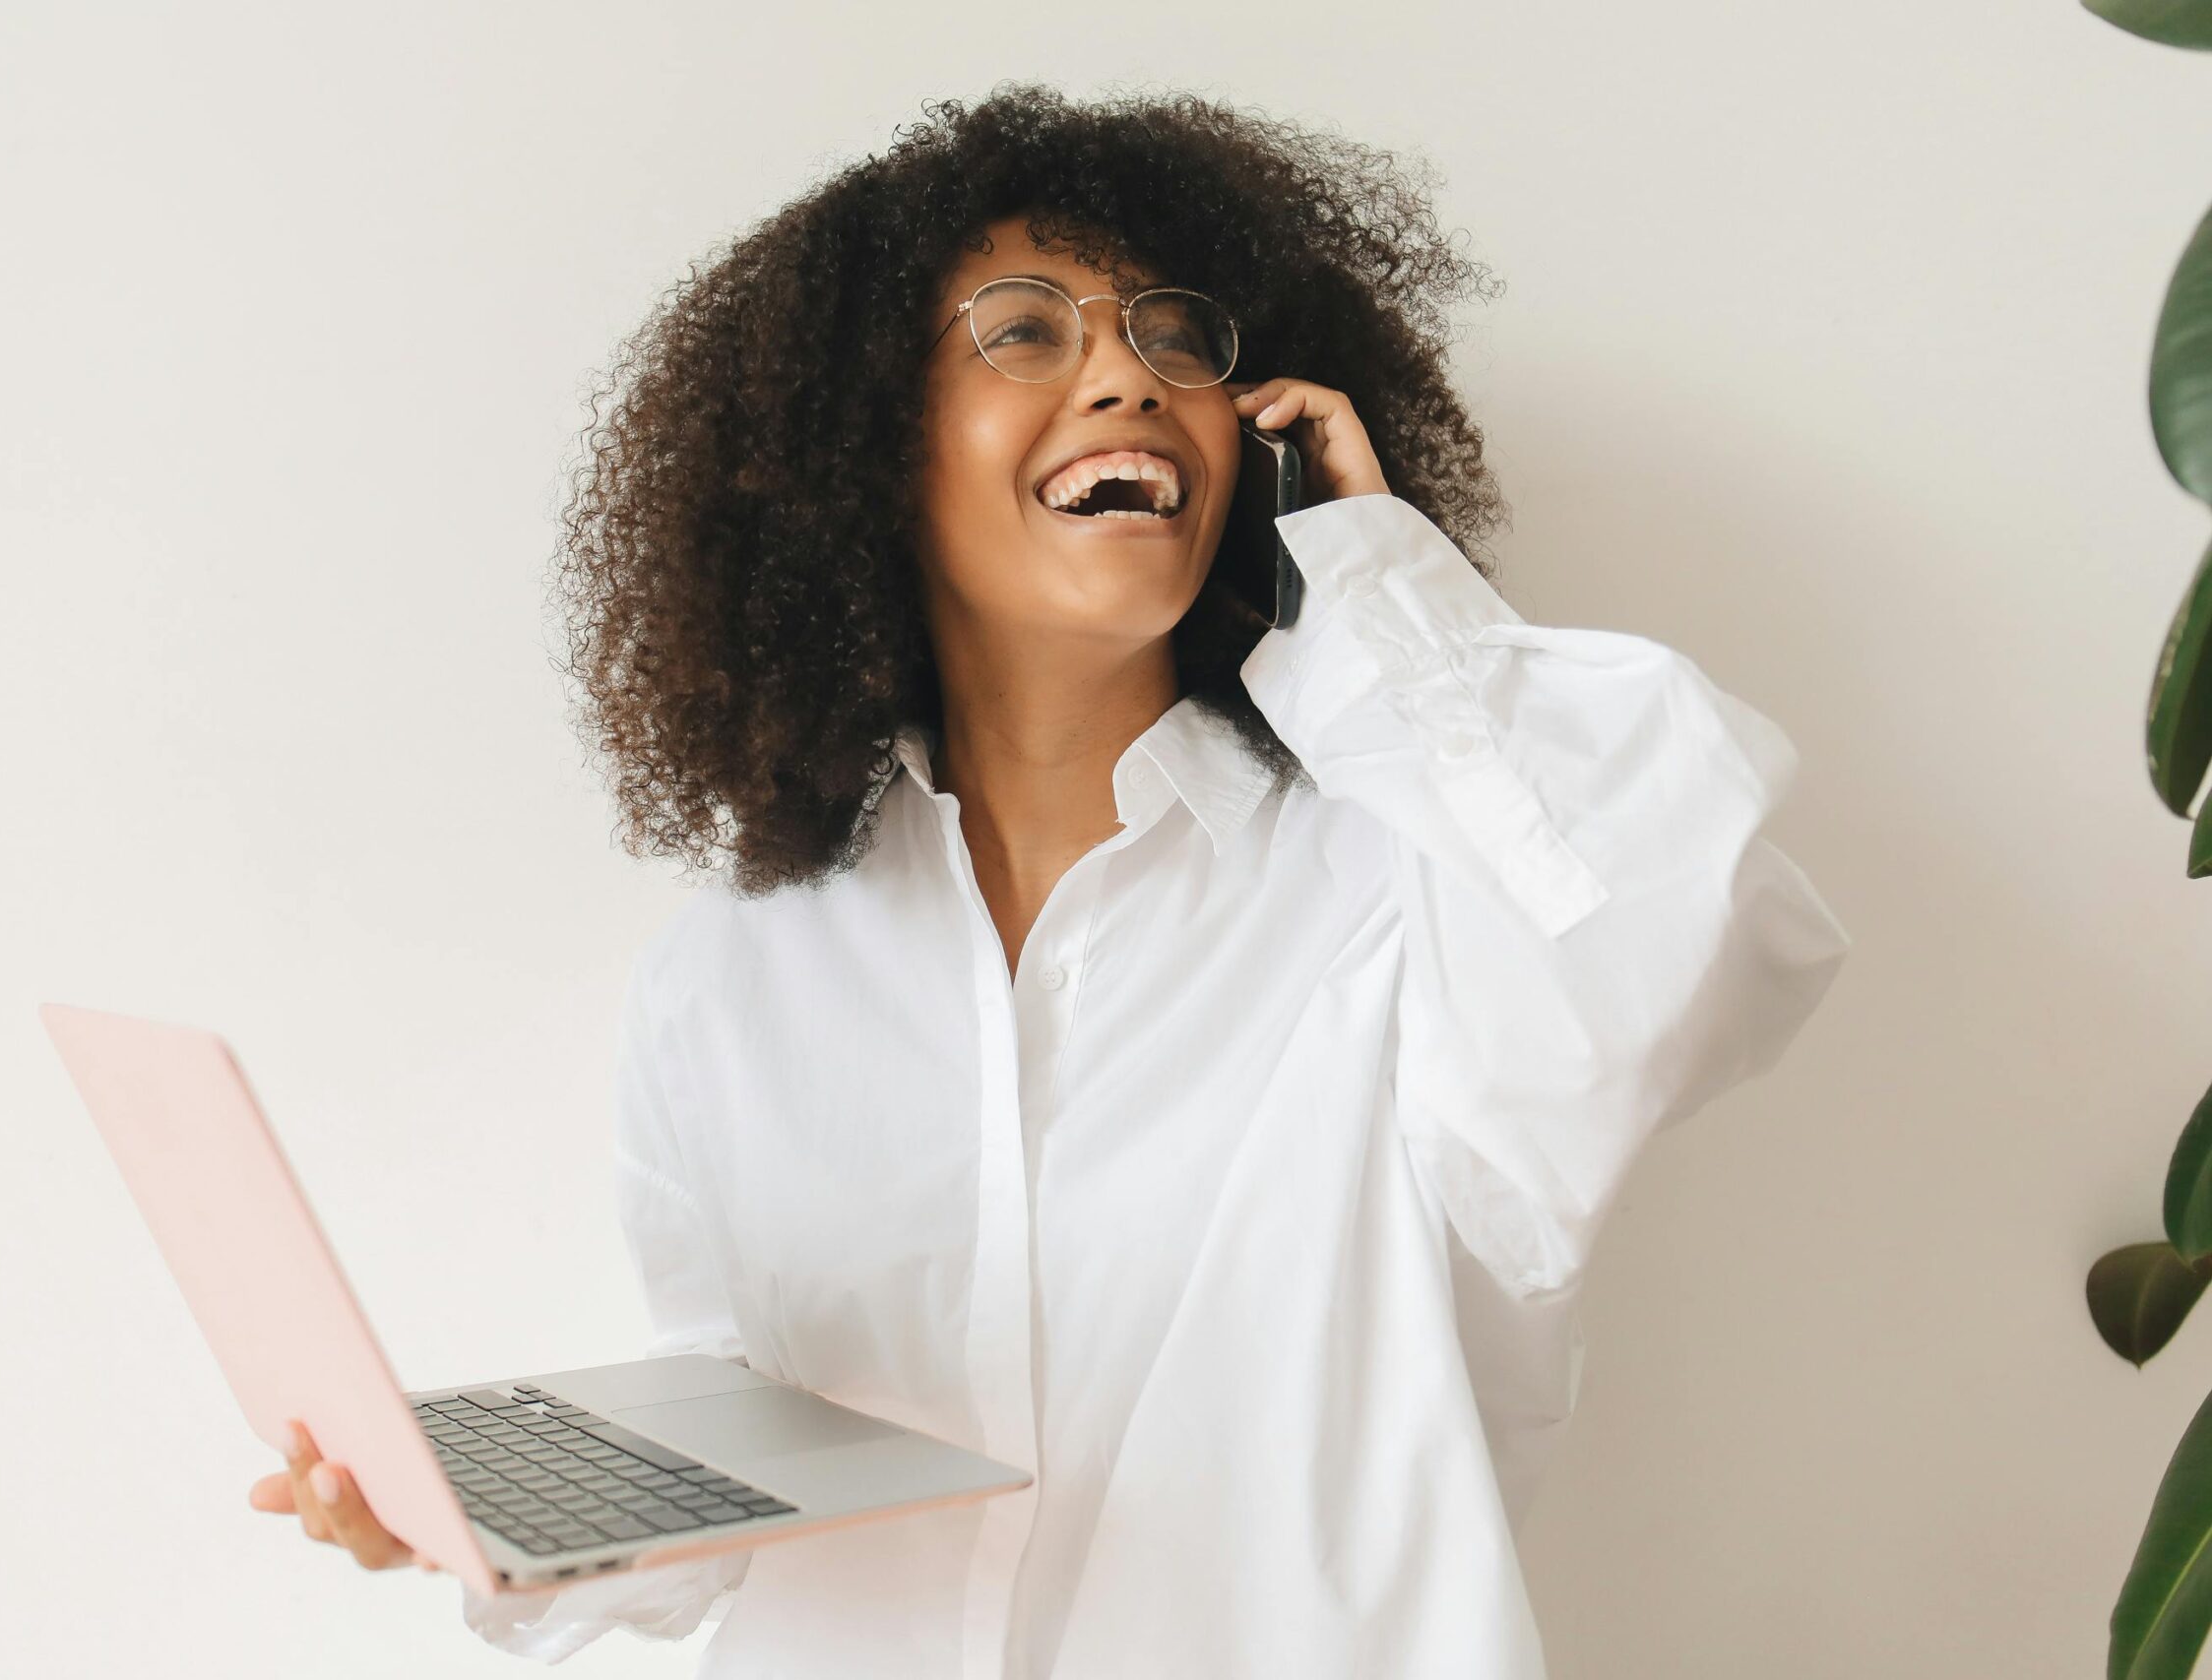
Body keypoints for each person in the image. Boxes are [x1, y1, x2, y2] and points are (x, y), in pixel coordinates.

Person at [247, 84, 1852, 1677]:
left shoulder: (1403, 892)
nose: (1126, 380)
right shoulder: (732, 977)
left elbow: (1682, 942)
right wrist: (469, 1518)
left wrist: (1373, 585)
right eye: (1024, 333)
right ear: (864, 456)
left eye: (1175, 337)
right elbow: (751, 1445)